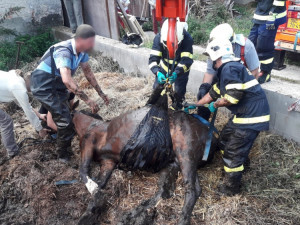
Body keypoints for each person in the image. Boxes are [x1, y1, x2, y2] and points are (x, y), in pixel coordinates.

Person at [195, 38, 270, 196]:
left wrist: (215, 105)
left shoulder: (229, 68)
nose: (212, 62)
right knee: (224, 140)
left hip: (251, 117)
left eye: (212, 58)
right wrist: (196, 105)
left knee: (232, 152)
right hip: (244, 114)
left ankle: (230, 188)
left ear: (218, 55)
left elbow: (233, 97)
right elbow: (212, 93)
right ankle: (241, 164)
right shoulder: (227, 71)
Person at [30, 24, 109, 162]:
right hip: (43, 85)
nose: (92, 45)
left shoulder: (82, 52)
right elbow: (67, 80)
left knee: (63, 108)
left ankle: (49, 128)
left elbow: (88, 73)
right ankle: (63, 156)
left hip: (56, 84)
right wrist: (88, 100)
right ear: (80, 39)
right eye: (90, 42)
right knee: (65, 122)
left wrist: (101, 93)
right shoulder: (64, 51)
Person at [197, 23, 260, 121]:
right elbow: (210, 73)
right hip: (223, 76)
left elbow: (254, 73)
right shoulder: (215, 48)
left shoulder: (247, 47)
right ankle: (202, 121)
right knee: (205, 93)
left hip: (242, 80)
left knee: (239, 101)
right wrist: (204, 88)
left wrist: (241, 95)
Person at [149, 19, 193, 109]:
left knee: (179, 91)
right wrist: (157, 72)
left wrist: (177, 73)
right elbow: (153, 60)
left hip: (181, 71)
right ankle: (157, 110)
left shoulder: (187, 39)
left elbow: (186, 60)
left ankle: (177, 108)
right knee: (157, 88)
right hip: (164, 68)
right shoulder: (159, 38)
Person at [0, 70, 48, 138]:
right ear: (30, 81)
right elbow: (28, 110)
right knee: (6, 122)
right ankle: (12, 149)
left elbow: (25, 105)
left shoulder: (17, 78)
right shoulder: (19, 89)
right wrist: (40, 130)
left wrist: (39, 115)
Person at [248, 0, 287, 84]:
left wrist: (272, 16)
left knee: (264, 46)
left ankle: (266, 73)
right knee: (251, 43)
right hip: (260, 16)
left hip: (271, 18)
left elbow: (279, 2)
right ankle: (254, 70)